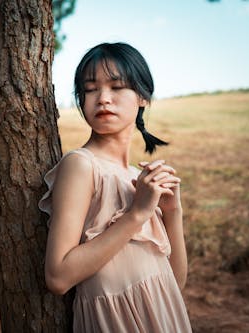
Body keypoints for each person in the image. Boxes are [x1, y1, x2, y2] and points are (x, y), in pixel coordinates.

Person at [39, 42, 192, 332]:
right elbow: (57, 277)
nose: (103, 99)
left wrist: (172, 213)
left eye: (117, 86)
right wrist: (136, 215)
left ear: (143, 97)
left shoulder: (138, 178)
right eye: (91, 88)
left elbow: (174, 283)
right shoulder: (81, 165)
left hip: (165, 318)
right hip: (115, 322)